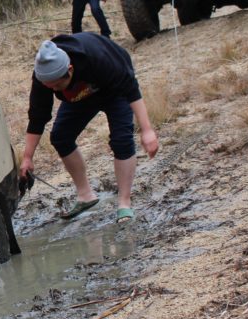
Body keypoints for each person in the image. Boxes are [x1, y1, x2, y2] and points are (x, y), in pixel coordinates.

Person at [19, 33, 158, 223]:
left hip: (114, 90)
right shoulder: (44, 75)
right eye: (50, 87)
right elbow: (38, 116)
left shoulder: (98, 58)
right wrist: (28, 157)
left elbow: (131, 88)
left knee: (121, 139)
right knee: (60, 136)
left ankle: (124, 203)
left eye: (58, 85)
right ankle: (85, 195)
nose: (55, 90)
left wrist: (147, 130)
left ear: (70, 69)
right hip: (80, 95)